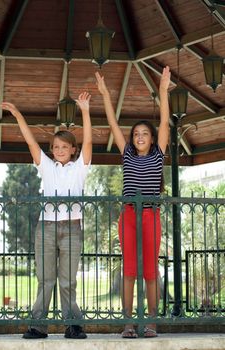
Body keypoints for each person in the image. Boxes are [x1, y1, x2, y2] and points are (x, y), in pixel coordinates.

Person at [1, 92, 92, 339]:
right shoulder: (47, 167)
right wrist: (18, 115)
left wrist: (84, 110)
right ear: (52, 151)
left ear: (73, 149)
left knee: (67, 281)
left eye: (65, 146)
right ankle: (38, 325)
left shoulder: (80, 168)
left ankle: (73, 325)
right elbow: (31, 142)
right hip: (47, 227)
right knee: (45, 279)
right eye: (56, 147)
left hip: (72, 228)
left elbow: (89, 142)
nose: (60, 150)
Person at [95, 66, 170, 338]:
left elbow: (164, 123)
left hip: (151, 215)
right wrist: (104, 94)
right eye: (136, 133)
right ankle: (128, 323)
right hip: (128, 215)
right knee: (129, 269)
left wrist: (162, 92)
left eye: (144, 134)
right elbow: (113, 123)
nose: (140, 136)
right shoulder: (126, 153)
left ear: (152, 140)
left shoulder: (159, 154)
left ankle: (151, 321)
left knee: (150, 269)